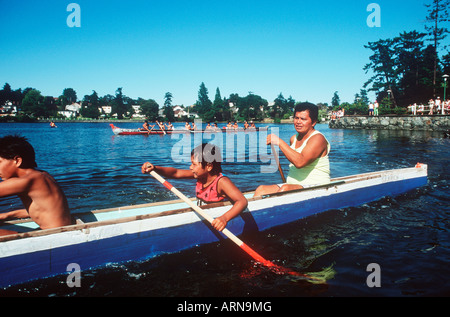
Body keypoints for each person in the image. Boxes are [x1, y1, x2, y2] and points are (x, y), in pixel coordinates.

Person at [141, 143, 248, 232]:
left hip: (216, 219)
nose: (190, 167)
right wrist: (155, 168)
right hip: (203, 212)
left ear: (209, 166)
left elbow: (242, 201)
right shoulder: (200, 175)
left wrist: (224, 218)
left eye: (194, 164)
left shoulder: (222, 182)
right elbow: (176, 173)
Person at [0, 135, 73, 236]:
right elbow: (43, 210)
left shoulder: (25, 181)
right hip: (61, 231)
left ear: (17, 161)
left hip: (53, 237)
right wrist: (7, 215)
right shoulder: (42, 175)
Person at [253, 103, 330, 197]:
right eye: (296, 118)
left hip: (318, 186)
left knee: (285, 190)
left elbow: (300, 162)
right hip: (292, 185)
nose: (298, 122)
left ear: (313, 122)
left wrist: (279, 142)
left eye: (303, 119)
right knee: (261, 190)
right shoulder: (293, 139)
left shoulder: (318, 138)